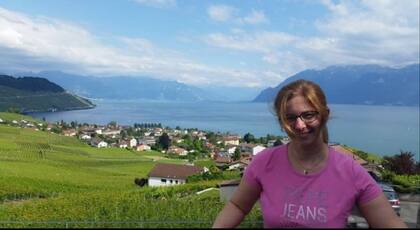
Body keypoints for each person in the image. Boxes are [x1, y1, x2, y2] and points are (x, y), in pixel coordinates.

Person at [212, 79, 407, 228]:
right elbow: (237, 206)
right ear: (281, 122)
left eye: (308, 115)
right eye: (290, 118)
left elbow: (389, 223)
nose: (299, 125)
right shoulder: (264, 162)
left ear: (325, 115)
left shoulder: (351, 172)